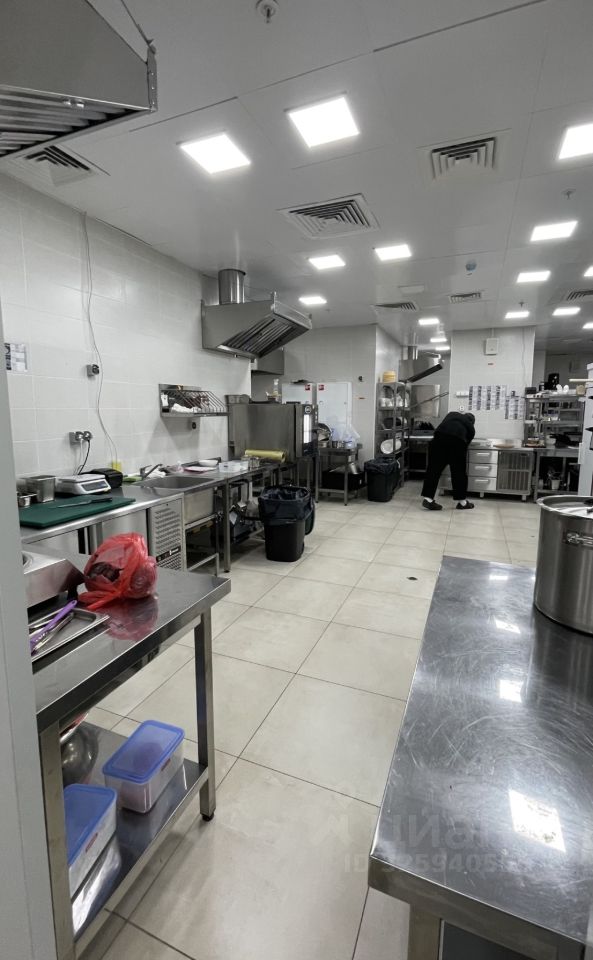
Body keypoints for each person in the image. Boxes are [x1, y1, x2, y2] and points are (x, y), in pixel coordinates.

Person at [421, 411, 476, 510]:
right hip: (457, 443)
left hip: (438, 440)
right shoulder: (471, 429)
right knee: (459, 473)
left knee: (433, 470)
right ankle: (462, 503)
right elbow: (465, 445)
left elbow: (443, 426)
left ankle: (428, 499)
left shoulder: (452, 414)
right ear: (472, 422)